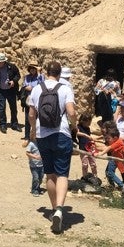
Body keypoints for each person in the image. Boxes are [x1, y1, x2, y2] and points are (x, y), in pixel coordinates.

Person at [28, 61, 76, 234]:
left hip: (42, 135)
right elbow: (71, 112)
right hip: (61, 134)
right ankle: (60, 209)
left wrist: (33, 130)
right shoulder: (65, 88)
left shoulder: (36, 89)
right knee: (62, 173)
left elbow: (32, 114)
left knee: (49, 174)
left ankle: (53, 208)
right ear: (60, 73)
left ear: (46, 72)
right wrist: (74, 126)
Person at [20, 62, 44, 141]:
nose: (32, 70)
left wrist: (32, 88)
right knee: (27, 118)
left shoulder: (41, 77)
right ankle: (27, 136)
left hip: (37, 100)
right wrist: (26, 87)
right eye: (31, 68)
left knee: (37, 118)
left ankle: (36, 136)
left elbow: (42, 86)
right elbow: (24, 85)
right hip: (28, 99)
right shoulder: (27, 77)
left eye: (34, 68)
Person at [76, 113, 98, 177]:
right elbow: (77, 133)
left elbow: (89, 137)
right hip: (82, 148)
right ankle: (85, 177)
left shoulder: (88, 128)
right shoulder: (79, 127)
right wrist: (85, 135)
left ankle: (95, 176)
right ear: (83, 121)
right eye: (88, 122)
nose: (89, 124)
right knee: (85, 164)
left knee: (93, 164)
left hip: (90, 148)